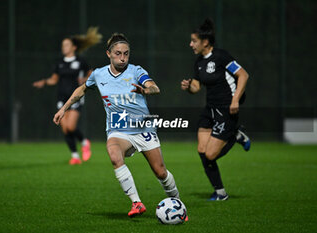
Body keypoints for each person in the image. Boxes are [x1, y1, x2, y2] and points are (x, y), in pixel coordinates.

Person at [53, 33, 185, 219]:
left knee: (160, 171)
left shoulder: (136, 71)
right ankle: (136, 203)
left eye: (126, 54)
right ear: (109, 54)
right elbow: (82, 89)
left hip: (142, 128)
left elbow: (155, 87)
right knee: (114, 153)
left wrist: (146, 89)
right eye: (118, 53)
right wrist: (64, 109)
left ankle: (178, 204)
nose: (122, 57)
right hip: (118, 129)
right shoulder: (98, 74)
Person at [181, 18, 251, 201]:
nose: (190, 44)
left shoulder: (221, 56)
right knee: (202, 150)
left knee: (211, 154)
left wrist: (235, 100)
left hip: (226, 110)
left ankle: (236, 135)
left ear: (205, 42)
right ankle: (220, 192)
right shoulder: (199, 62)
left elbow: (243, 75)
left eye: (194, 41)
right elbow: (196, 87)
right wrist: (189, 86)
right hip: (210, 109)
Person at [33, 27, 102, 165]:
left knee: (70, 127)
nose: (63, 47)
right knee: (65, 128)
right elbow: (54, 79)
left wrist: (85, 80)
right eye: (63, 45)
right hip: (61, 97)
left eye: (66, 45)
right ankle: (75, 156)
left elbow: (91, 74)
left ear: (74, 47)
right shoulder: (60, 62)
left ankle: (84, 142)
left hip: (76, 97)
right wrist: (44, 82)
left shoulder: (81, 61)